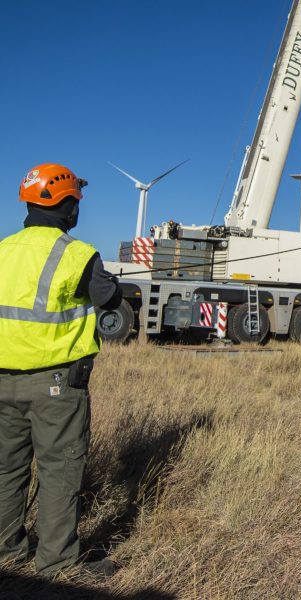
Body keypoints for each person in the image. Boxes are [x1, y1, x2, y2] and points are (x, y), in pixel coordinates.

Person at [0, 164, 121, 577]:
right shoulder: (77, 253)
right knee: (59, 473)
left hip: (1, 382)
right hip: (54, 387)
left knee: (5, 471)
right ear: (68, 205)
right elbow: (108, 297)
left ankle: (6, 553)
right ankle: (56, 564)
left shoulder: (3, 249)